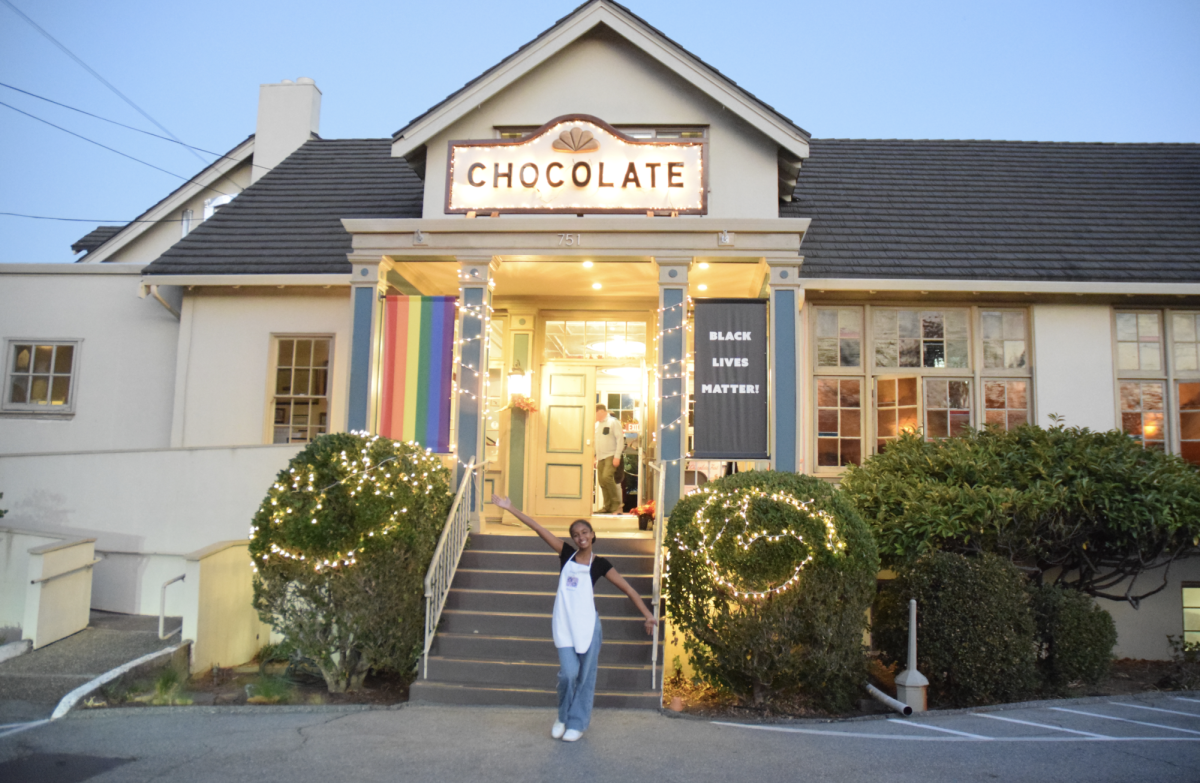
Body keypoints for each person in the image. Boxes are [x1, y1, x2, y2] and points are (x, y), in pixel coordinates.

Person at [491, 494, 656, 742]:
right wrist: (510, 507)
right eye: (576, 534)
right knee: (568, 674)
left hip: (589, 628)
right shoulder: (566, 554)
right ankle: (563, 717)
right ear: (573, 539)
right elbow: (538, 528)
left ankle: (577, 723)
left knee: (586, 677)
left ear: (592, 535)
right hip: (565, 625)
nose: (581, 537)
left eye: (585, 532)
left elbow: (629, 589)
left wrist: (648, 616)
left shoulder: (600, 564)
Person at [594, 404, 624, 514]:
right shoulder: (597, 425)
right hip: (600, 457)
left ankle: (616, 503)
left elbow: (620, 440)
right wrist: (594, 456)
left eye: (595, 413)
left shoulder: (613, 422)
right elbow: (595, 441)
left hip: (611, 455)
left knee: (607, 477)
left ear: (600, 412)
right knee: (601, 480)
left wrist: (617, 456)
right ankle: (607, 506)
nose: (594, 416)